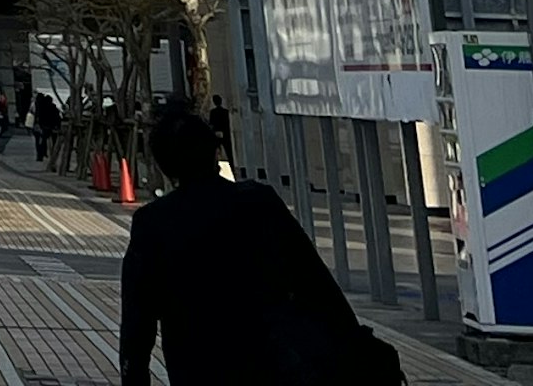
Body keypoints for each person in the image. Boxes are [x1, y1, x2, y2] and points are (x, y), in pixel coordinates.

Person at [119, 103, 394, 386]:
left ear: (165, 164)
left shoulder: (153, 224)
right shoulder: (259, 202)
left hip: (198, 370)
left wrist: (134, 375)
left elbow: (137, 325)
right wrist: (353, 344)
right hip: (276, 365)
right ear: (215, 153)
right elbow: (315, 283)